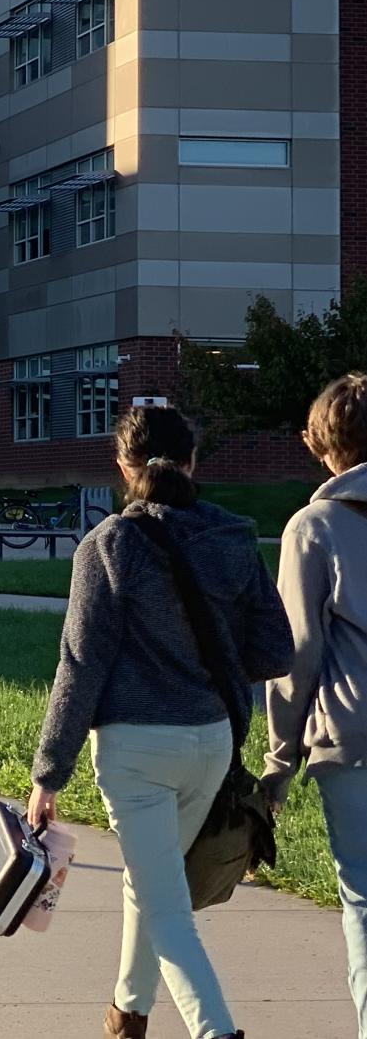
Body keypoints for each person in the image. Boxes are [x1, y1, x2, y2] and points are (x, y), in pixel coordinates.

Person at [27, 404, 290, 1039]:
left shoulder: (108, 545)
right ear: (194, 462)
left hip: (135, 751)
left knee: (167, 907)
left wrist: (48, 774)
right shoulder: (234, 536)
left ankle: (216, 1031)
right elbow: (276, 650)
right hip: (211, 742)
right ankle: (127, 1016)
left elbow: (81, 665)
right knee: (154, 886)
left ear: (122, 468)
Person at [264, 371, 367, 1037]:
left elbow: (295, 651)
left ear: (319, 441)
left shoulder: (313, 526)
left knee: (362, 896)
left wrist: (278, 757)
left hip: (353, 738)